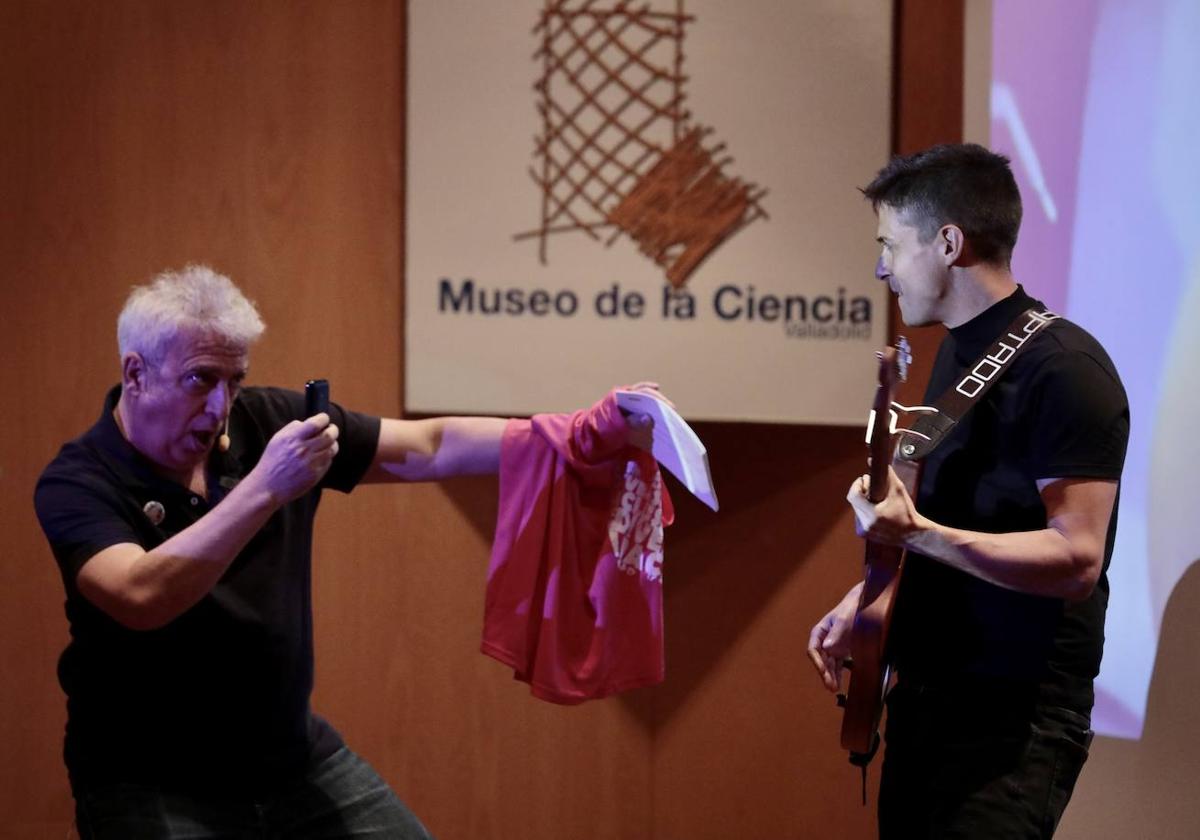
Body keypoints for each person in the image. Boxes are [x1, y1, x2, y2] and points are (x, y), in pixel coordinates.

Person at [34, 265, 661, 838]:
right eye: (201, 380)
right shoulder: (77, 482)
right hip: (148, 782)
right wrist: (264, 488)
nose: (222, 409)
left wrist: (574, 433)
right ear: (135, 373)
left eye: (234, 381)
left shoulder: (270, 421)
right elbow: (140, 596)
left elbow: (429, 445)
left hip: (290, 762)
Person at [806, 144, 1129, 839]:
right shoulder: (961, 347)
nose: (881, 267)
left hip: (1015, 723)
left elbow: (1077, 561)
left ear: (948, 243)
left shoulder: (1067, 371)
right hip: (929, 699)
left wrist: (913, 533)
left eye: (892, 244)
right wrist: (864, 600)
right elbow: (932, 514)